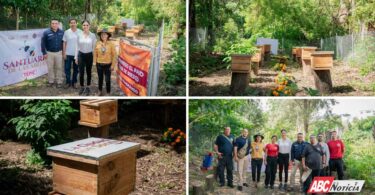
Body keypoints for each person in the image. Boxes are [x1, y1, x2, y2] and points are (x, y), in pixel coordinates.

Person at [75, 20, 96, 95]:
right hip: (81, 55)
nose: (85, 26)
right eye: (84, 25)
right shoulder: (79, 35)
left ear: (89, 26)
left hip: (89, 55)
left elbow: (94, 48)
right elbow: (77, 47)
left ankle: (88, 87)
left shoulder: (93, 35)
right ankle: (82, 87)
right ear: (82, 26)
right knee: (81, 72)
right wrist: (76, 57)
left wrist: (94, 59)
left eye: (87, 25)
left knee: (89, 71)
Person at [41, 19, 64, 88]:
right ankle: (51, 81)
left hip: (59, 53)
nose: (54, 25)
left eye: (56, 23)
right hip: (49, 53)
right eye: (53, 23)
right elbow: (43, 43)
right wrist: (44, 53)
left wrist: (64, 52)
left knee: (59, 67)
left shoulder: (62, 32)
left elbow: (64, 43)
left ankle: (59, 81)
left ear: (58, 24)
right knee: (50, 68)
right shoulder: (46, 32)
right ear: (50, 24)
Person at [93, 28, 116, 96]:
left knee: (107, 80)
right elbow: (95, 53)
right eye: (102, 34)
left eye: (105, 34)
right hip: (99, 64)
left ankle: (108, 92)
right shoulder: (97, 43)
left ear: (108, 35)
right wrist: (94, 63)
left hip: (108, 65)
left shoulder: (111, 44)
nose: (103, 36)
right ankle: (99, 91)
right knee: (100, 78)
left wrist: (113, 65)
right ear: (100, 36)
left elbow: (114, 55)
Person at [63, 18, 82, 89]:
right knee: (67, 69)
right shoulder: (66, 32)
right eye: (71, 23)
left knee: (76, 69)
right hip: (68, 54)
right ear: (69, 24)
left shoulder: (80, 32)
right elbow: (64, 43)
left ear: (76, 23)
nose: (73, 24)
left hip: (77, 55)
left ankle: (74, 82)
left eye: (74, 22)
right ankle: (68, 82)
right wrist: (64, 53)